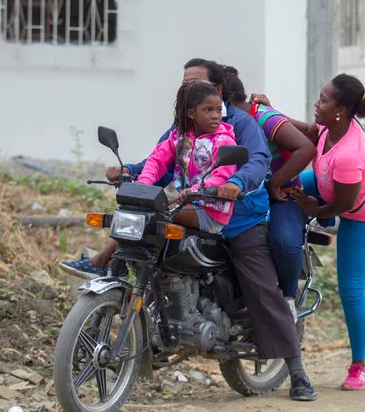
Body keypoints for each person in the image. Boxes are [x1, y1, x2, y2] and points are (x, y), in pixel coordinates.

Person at [61, 59, 317, 401]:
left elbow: (257, 161)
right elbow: (161, 161)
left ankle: (297, 371)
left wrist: (237, 182)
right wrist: (131, 173)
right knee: (145, 235)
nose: (184, 90)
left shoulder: (240, 124)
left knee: (262, 289)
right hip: (189, 207)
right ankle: (140, 311)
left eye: (193, 84)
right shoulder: (181, 127)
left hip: (240, 216)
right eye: (184, 86)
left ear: (218, 91)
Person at [252, 73, 365, 392]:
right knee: (279, 188)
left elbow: (340, 206)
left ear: (340, 110)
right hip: (329, 185)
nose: (317, 102)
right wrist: (274, 113)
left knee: (351, 288)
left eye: (323, 100)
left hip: (360, 211)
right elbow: (311, 132)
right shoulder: (332, 124)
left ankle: (359, 367)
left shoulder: (350, 154)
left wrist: (316, 211)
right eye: (320, 96)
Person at [223, 66, 316, 321]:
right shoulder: (214, 124)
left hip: (282, 196)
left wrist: (275, 183)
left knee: (283, 242)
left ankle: (287, 300)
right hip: (243, 197)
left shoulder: (262, 117)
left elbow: (306, 148)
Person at [137, 80, 237, 233]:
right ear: (191, 113)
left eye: (218, 110)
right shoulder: (178, 136)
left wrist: (195, 190)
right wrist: (144, 183)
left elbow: (221, 178)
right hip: (185, 203)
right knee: (135, 211)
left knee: (155, 211)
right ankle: (107, 258)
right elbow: (157, 160)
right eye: (208, 110)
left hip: (211, 212)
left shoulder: (224, 141)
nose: (216, 116)